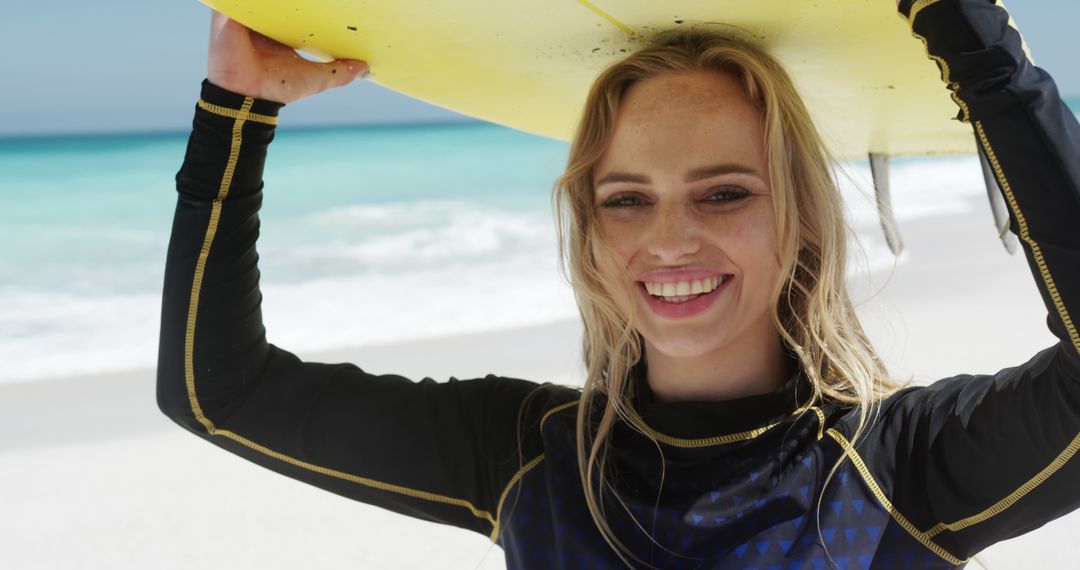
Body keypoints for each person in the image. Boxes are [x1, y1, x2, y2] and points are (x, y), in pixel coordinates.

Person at [157, 1, 1080, 568]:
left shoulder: (903, 468)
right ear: (590, 233)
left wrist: (967, 38)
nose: (670, 239)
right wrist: (237, 109)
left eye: (724, 192)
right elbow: (217, 391)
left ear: (800, 218)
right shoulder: (532, 459)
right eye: (626, 198)